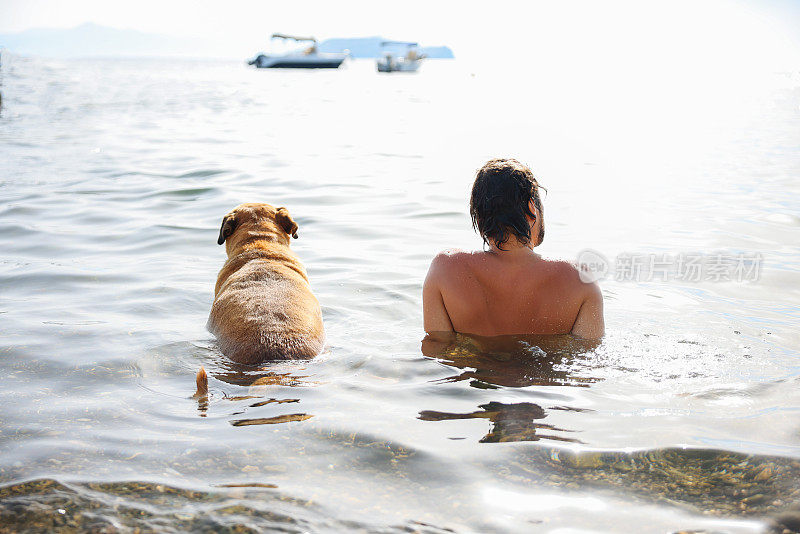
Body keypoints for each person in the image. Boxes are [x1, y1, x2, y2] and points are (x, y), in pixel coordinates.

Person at [423, 158, 604, 340]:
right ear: (532, 209)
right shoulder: (580, 280)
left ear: (478, 220)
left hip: (475, 368)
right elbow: (590, 357)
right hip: (541, 368)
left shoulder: (444, 270)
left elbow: (436, 352)